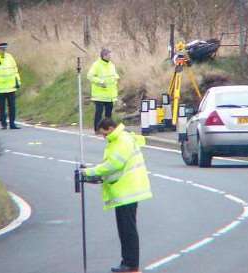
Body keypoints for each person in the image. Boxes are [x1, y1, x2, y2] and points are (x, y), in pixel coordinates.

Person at [81, 118, 152, 273]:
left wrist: (90, 171)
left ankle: (131, 264)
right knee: (125, 229)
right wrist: (96, 175)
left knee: (128, 230)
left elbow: (113, 164)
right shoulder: (118, 139)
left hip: (128, 191)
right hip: (124, 190)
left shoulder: (122, 140)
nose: (103, 137)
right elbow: (112, 168)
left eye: (104, 133)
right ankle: (127, 262)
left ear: (111, 128)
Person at [0, 42, 21, 129]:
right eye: (1, 49)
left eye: (4, 49)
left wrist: (18, 81)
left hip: (11, 87)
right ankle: (4, 124)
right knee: (2, 107)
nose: (3, 50)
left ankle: (12, 124)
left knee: (12, 107)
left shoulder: (10, 57)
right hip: (0, 88)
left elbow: (15, 70)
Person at [87, 48, 120, 133]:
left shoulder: (111, 65)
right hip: (99, 95)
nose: (110, 57)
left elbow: (114, 75)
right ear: (104, 56)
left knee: (108, 114)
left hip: (110, 95)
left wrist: (116, 78)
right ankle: (97, 129)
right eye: (109, 55)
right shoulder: (96, 65)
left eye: (110, 55)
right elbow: (90, 76)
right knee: (99, 113)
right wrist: (100, 82)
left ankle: (108, 129)